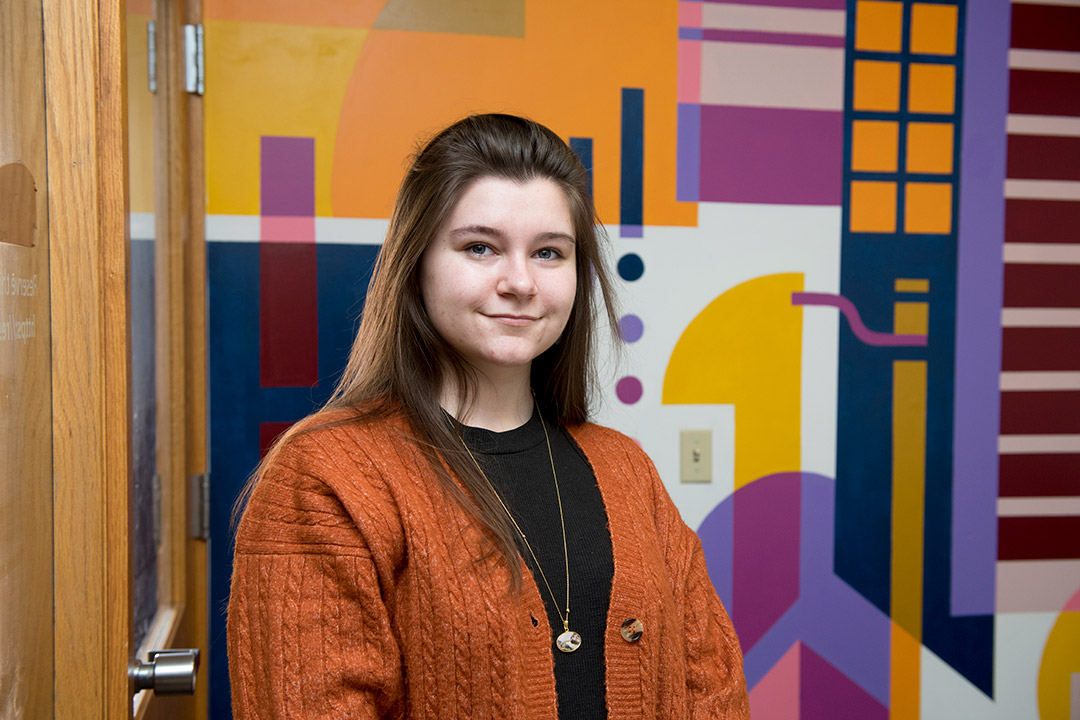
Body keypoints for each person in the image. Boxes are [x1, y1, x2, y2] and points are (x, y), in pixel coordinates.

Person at [227, 113, 750, 719]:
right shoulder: (328, 477)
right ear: (416, 263)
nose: (521, 282)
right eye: (481, 247)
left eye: (550, 253)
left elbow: (711, 689)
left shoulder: (625, 468)